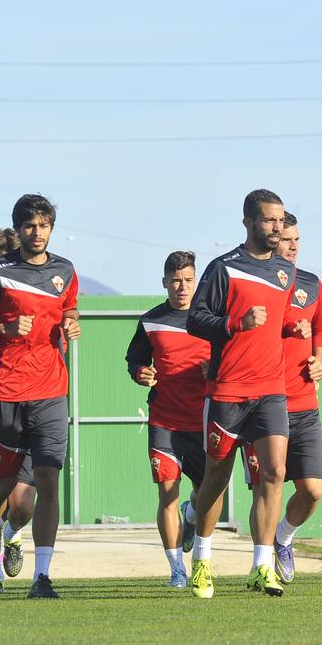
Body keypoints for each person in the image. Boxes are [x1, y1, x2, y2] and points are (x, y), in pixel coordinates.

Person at [0, 194, 80, 599]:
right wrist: (4, 330)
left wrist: (70, 322)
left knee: (48, 481)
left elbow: (70, 307)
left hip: (50, 392)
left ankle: (42, 576)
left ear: (51, 228)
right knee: (3, 483)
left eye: (43, 225)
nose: (37, 232)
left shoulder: (65, 270)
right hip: (6, 390)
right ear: (19, 229)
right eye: (29, 225)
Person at [186, 189, 301, 599]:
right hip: (228, 389)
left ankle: (261, 565)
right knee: (215, 478)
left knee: (274, 474)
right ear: (249, 221)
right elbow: (196, 321)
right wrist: (237, 323)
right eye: (269, 220)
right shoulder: (223, 268)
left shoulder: (286, 273)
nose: (277, 227)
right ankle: (201, 561)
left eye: (280, 220)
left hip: (272, 390)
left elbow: (276, 320)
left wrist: (290, 328)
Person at [239, 213, 322, 585]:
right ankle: (261, 567)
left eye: (296, 240)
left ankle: (283, 538)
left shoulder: (310, 283)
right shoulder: (253, 280)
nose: (291, 245)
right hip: (260, 401)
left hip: (303, 401)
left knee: (312, 490)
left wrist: (319, 360)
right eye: (285, 239)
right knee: (266, 485)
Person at [125, 250, 210, 588]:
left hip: (204, 421)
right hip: (164, 421)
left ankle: (192, 515)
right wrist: (140, 373)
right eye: (175, 280)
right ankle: (177, 568)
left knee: (207, 494)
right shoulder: (150, 321)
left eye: (188, 280)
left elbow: (232, 359)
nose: (182, 286)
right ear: (164, 282)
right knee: (167, 492)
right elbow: (135, 361)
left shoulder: (211, 320)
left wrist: (214, 370)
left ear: (196, 281)